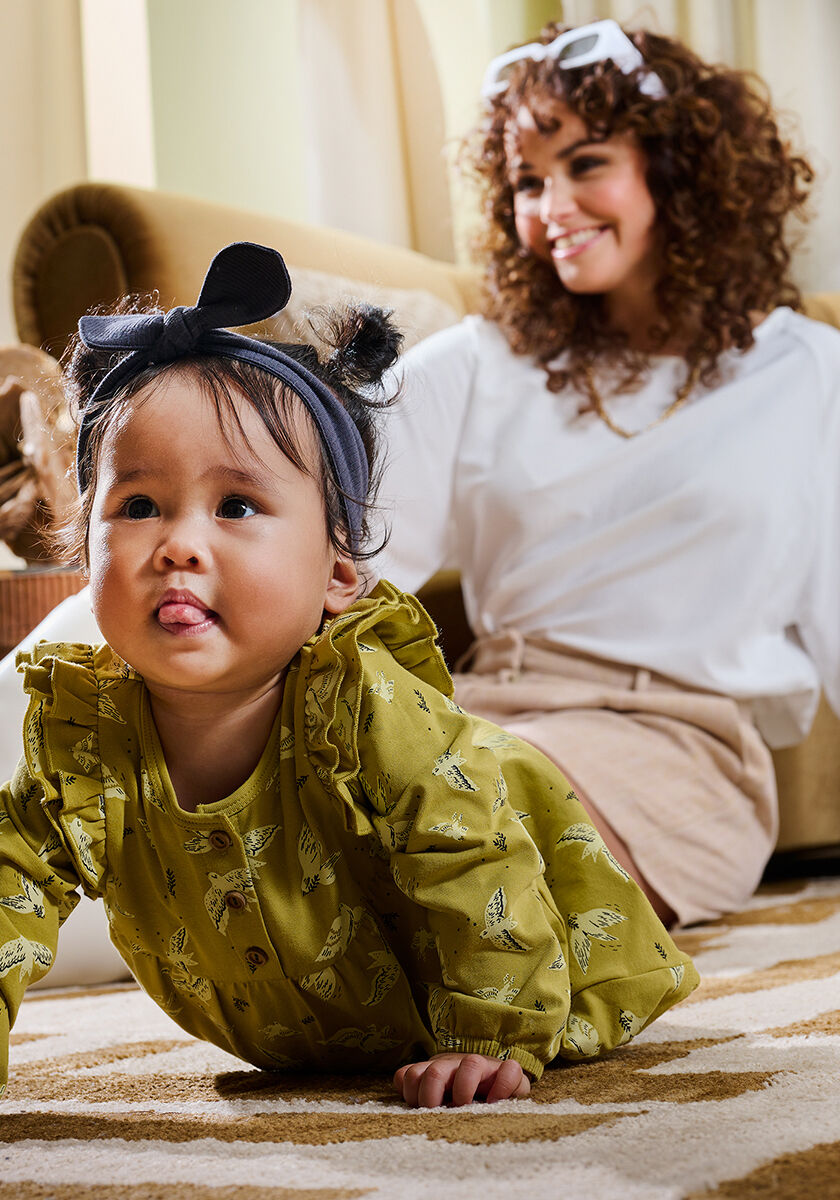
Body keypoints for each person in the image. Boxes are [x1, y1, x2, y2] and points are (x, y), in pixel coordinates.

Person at [0, 242, 697, 1108]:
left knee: (484, 794)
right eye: (137, 506)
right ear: (82, 550)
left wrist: (491, 1036)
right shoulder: (85, 741)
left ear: (337, 576)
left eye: (238, 506)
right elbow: (8, 884)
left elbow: (473, 861)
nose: (178, 544)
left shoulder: (362, 707)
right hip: (298, 1025)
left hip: (505, 959)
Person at [375, 19, 840, 929]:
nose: (551, 208)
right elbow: (333, 552)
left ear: (679, 170)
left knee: (478, 832)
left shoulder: (809, 374)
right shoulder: (479, 361)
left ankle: (496, 1014)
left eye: (586, 164)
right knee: (382, 813)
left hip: (679, 744)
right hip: (480, 713)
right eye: (526, 181)